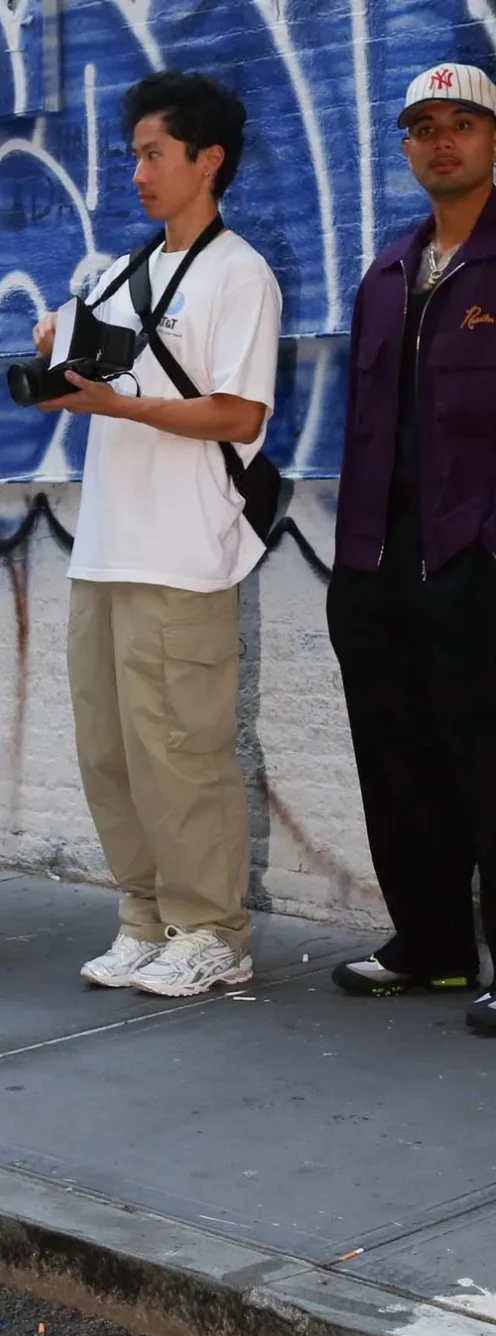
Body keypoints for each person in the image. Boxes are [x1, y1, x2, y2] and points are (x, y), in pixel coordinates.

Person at [32, 72, 279, 998]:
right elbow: (91, 393)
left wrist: (120, 403)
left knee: (183, 751)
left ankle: (213, 930)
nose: (136, 171)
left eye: (153, 154)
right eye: (133, 154)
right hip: (103, 546)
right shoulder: (116, 272)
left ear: (207, 159)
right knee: (111, 754)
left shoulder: (238, 273)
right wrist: (61, 351)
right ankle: (145, 919)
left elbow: (239, 413)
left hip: (183, 552)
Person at [331, 64, 496, 1031]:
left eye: (463, 124)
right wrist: (355, 569)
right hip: (381, 567)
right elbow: (364, 423)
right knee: (398, 767)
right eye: (424, 127)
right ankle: (430, 948)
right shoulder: (388, 270)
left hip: (474, 565)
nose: (443, 141)